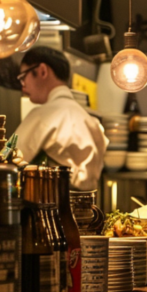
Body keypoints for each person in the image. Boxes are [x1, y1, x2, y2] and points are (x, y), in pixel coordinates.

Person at [15, 47, 108, 191]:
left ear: (42, 71)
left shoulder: (43, 115)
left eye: (23, 77)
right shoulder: (91, 121)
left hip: (51, 207)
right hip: (87, 206)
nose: (23, 86)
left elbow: (10, 158)